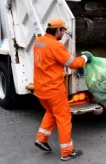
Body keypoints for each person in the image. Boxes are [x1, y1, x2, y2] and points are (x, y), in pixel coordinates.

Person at [33, 18, 92, 161]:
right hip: (54, 91)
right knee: (64, 118)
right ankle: (66, 151)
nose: (64, 33)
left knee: (51, 112)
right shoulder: (56, 46)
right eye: (63, 30)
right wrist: (85, 57)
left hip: (40, 89)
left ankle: (41, 138)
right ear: (57, 30)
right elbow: (73, 63)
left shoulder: (38, 42)